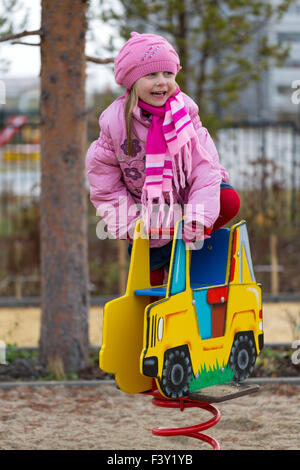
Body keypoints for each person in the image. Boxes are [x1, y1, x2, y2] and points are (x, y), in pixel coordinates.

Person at [86, 32, 240, 286]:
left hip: (187, 201)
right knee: (149, 286)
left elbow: (206, 168)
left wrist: (197, 218)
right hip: (148, 215)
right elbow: (105, 184)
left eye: (168, 74)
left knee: (228, 199)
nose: (162, 82)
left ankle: (189, 247)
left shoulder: (185, 114)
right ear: (132, 80)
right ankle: (164, 257)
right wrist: (132, 225)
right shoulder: (114, 123)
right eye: (151, 75)